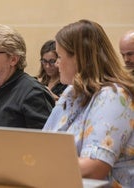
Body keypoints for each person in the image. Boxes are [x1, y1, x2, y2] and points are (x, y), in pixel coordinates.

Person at [42, 19, 134, 187]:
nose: (56, 64)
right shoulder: (71, 91)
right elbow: (43, 144)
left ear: (79, 59)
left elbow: (95, 168)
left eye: (59, 57)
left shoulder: (113, 96)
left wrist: (35, 166)